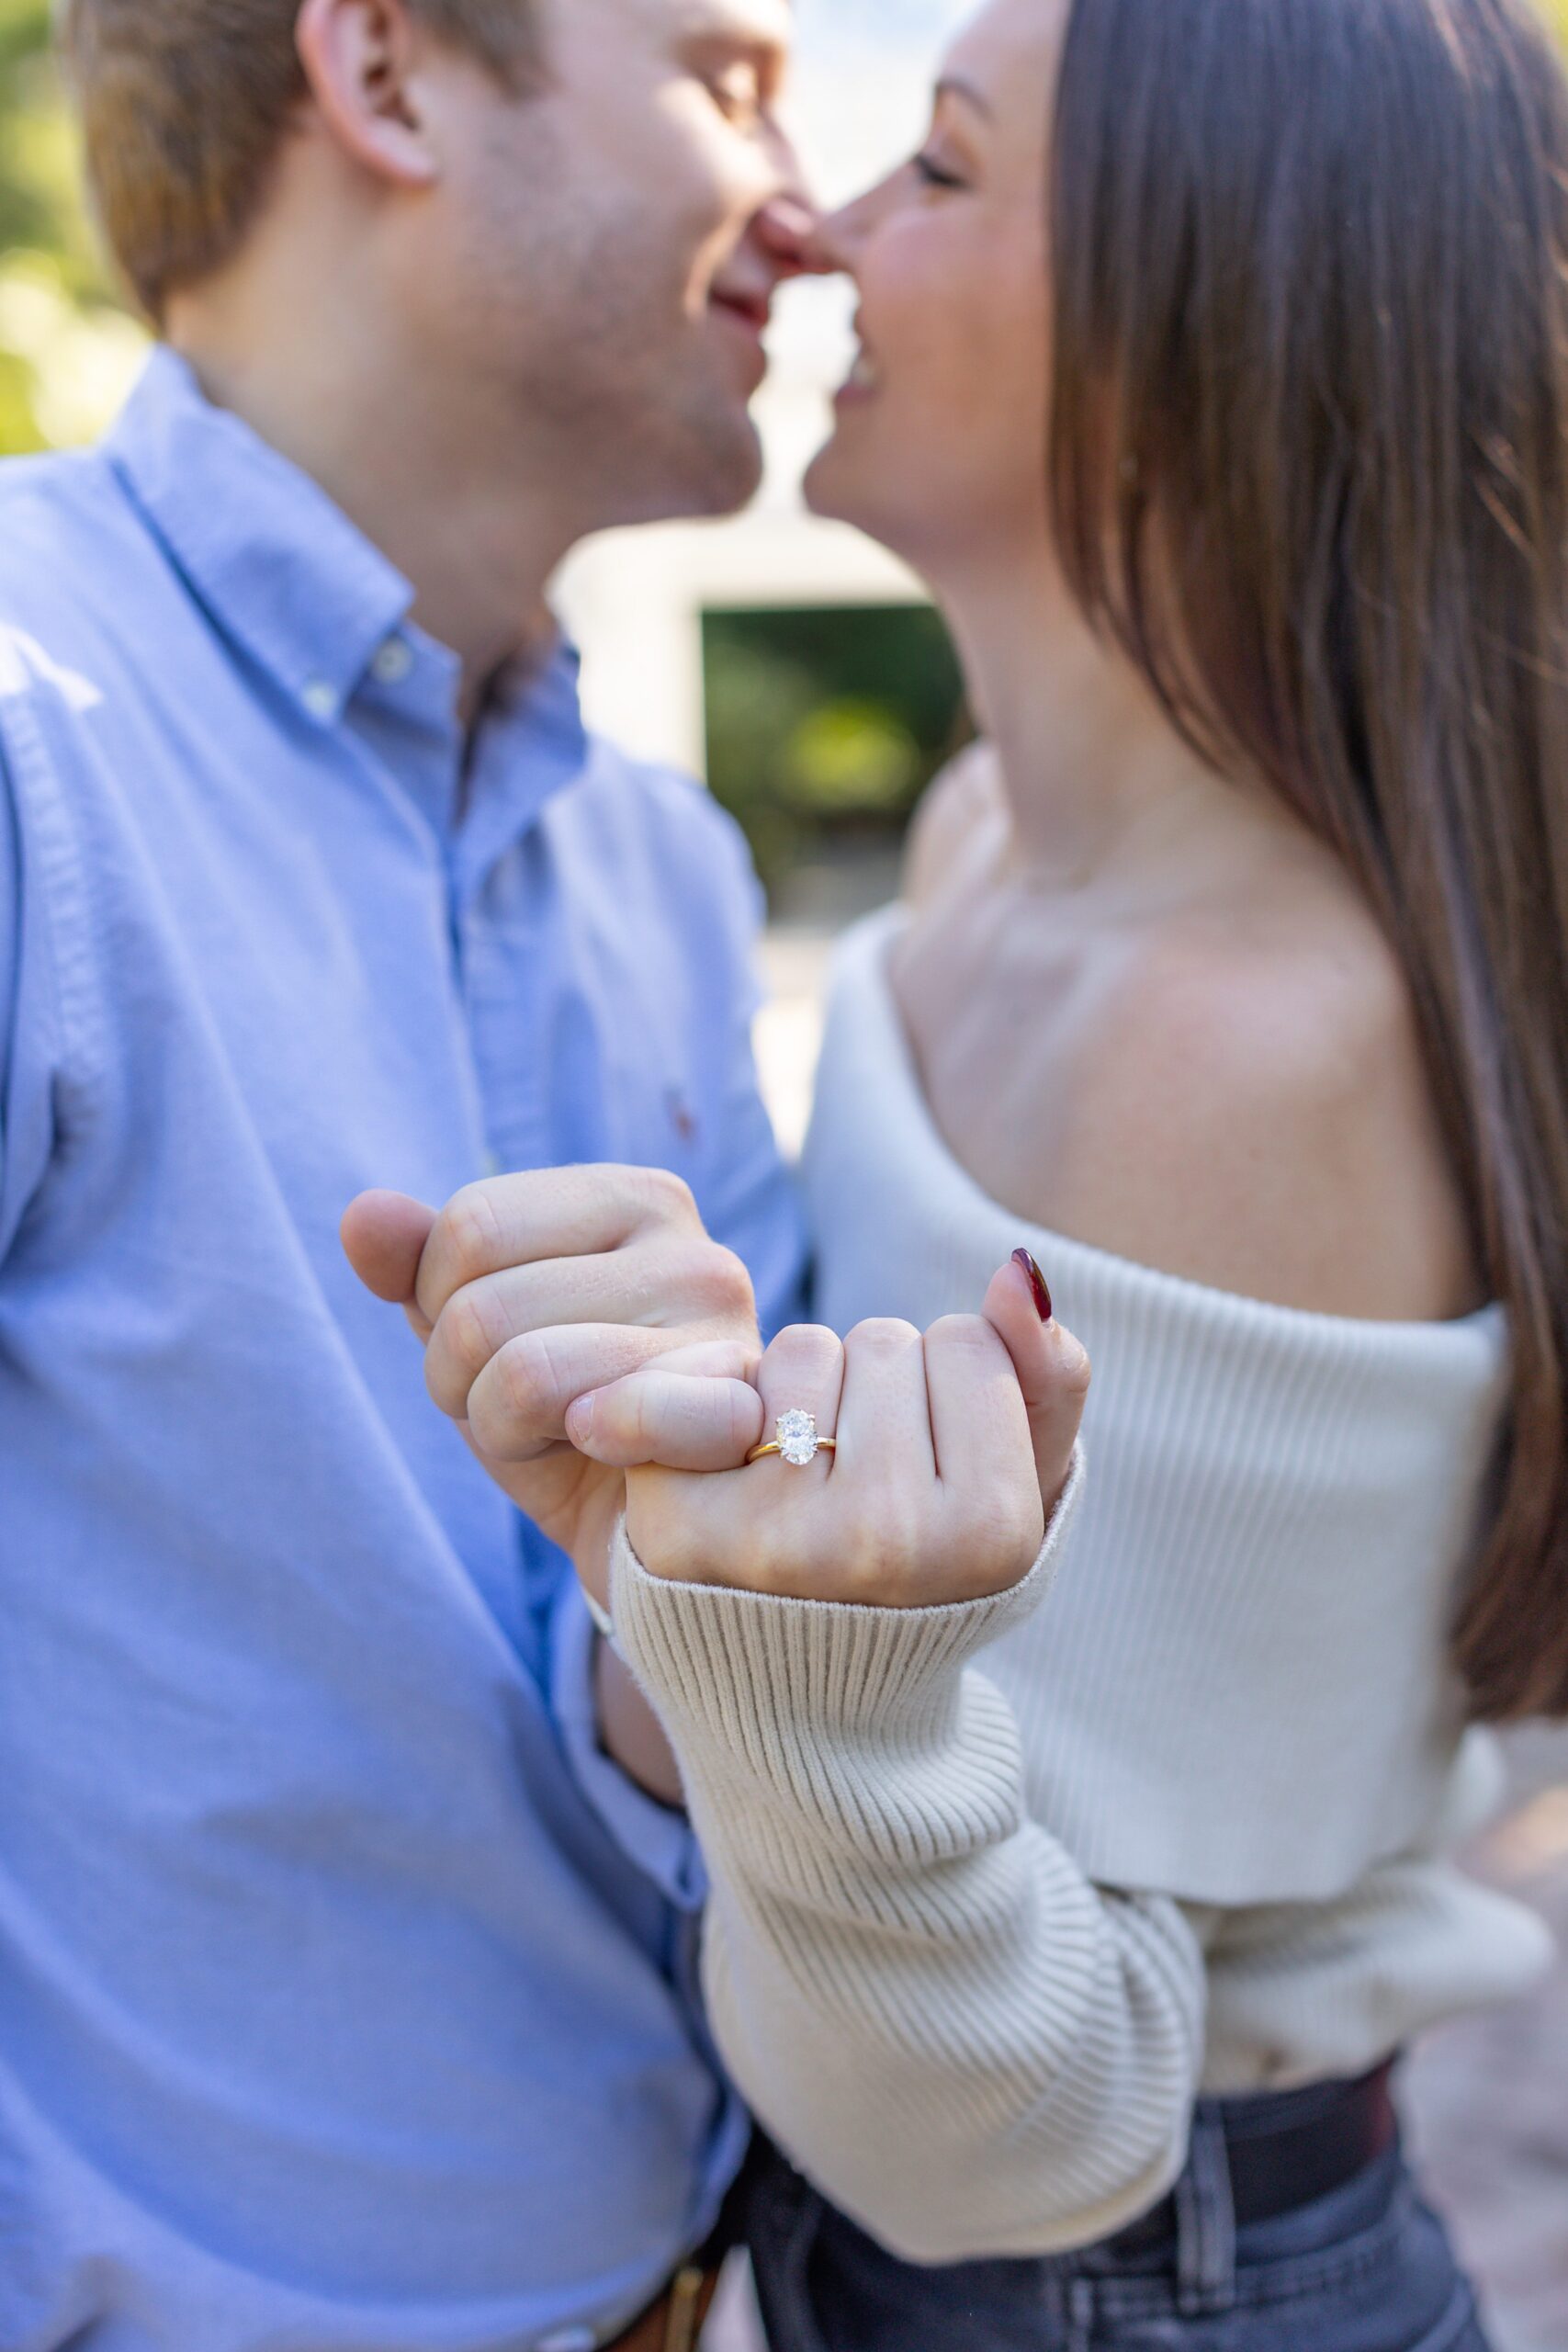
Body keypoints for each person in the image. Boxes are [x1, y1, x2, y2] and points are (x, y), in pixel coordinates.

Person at [378, 0, 1568, 2344]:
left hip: (1119, 2277)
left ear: (1177, 310)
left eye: (931, 164)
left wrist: (785, 1672)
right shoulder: (981, 843)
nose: (810, 225)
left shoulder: (1237, 1051)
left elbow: (1022, 2135)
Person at [0, 1, 1046, 2344]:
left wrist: (809, 1595)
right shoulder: (25, 740)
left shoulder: (657, 862)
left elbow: (667, 1689)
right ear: (384, 76)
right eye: (723, 75)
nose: (805, 194)